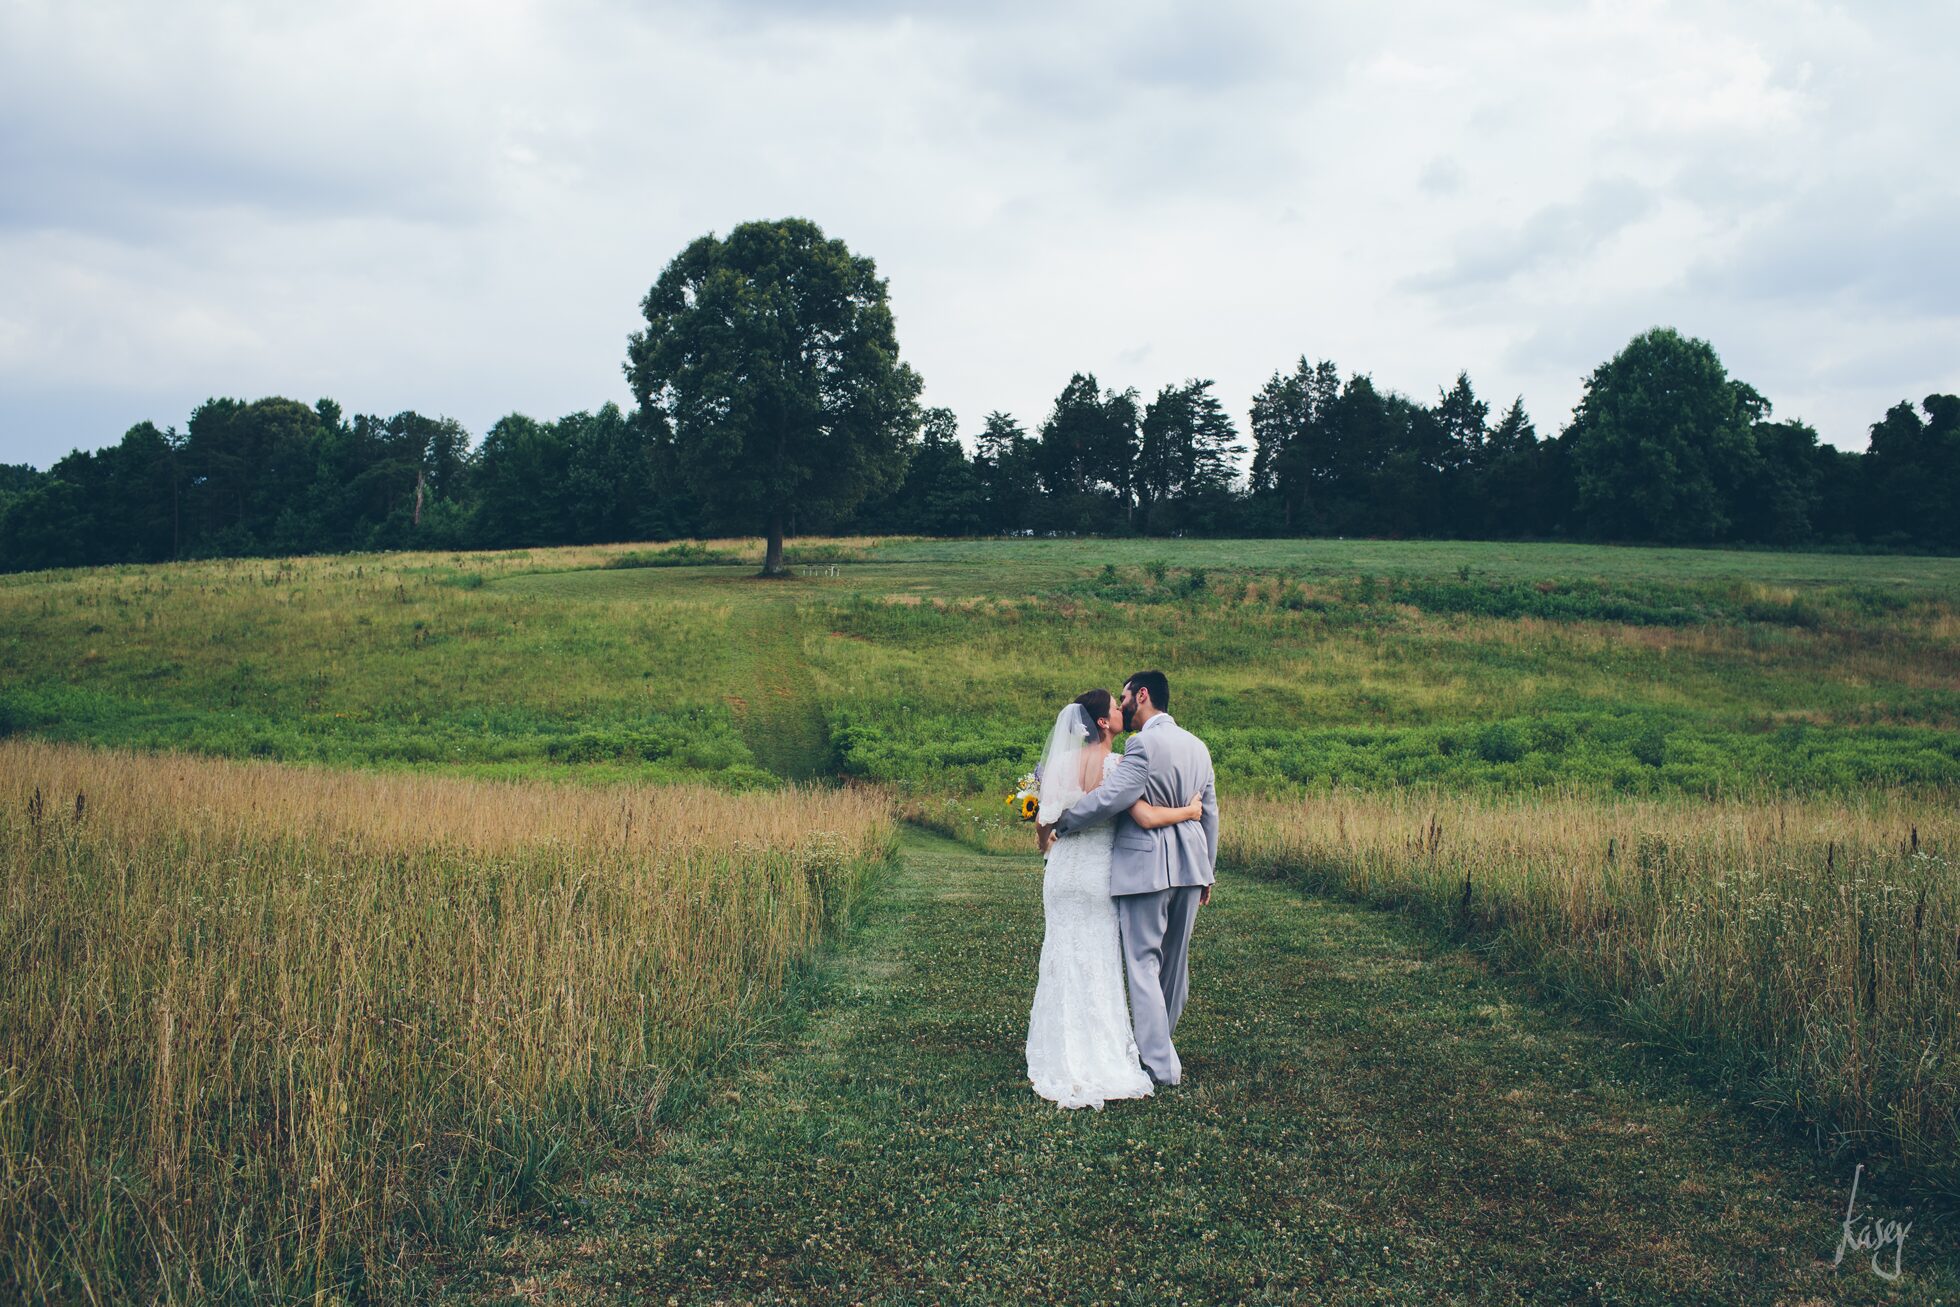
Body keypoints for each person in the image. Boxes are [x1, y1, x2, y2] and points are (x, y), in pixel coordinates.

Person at [1025, 687, 1204, 1109]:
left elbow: (1037, 820)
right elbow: (1143, 816)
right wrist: (1189, 812)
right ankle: (1097, 1053)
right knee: (1098, 960)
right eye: (1113, 708)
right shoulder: (1118, 765)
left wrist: (1048, 842)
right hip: (1096, 875)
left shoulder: (1055, 765)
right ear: (1103, 723)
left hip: (1062, 872)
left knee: (1061, 954)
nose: (1121, 710)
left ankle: (1057, 1050)